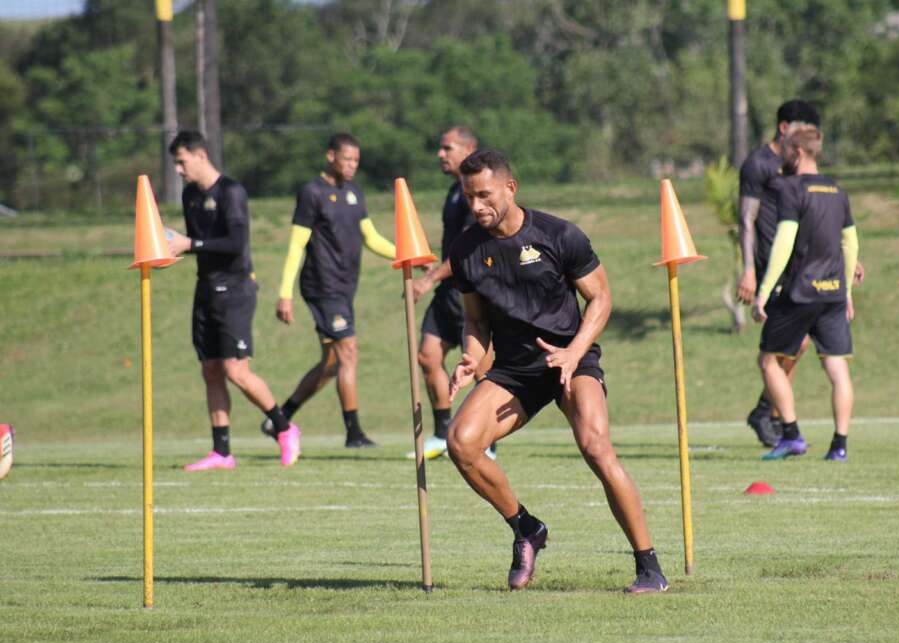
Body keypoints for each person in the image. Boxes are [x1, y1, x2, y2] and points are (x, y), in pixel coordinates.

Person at [446, 149, 668, 593]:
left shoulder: (559, 235)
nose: (476, 206)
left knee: (596, 447)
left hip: (571, 359)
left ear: (511, 188)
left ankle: (649, 567)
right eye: (469, 196)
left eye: (484, 195)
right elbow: (476, 320)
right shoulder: (466, 250)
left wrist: (573, 353)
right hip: (515, 371)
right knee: (461, 443)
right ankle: (526, 527)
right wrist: (471, 356)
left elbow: (601, 299)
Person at [165, 131, 301, 471]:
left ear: (200, 155)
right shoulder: (189, 196)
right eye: (175, 164)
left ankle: (284, 428)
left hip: (236, 288)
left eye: (181, 162)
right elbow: (196, 242)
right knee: (211, 370)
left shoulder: (231, 192)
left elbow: (235, 242)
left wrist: (189, 245)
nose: (179, 170)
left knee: (235, 370)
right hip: (205, 287)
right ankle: (222, 452)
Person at [266, 133, 398, 448]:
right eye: (347, 159)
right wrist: (284, 293)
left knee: (332, 364)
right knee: (348, 353)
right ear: (331, 157)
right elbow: (297, 245)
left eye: (356, 161)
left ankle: (280, 419)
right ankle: (354, 433)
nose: (352, 165)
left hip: (345, 287)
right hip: (322, 287)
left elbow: (372, 237)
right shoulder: (311, 192)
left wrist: (408, 255)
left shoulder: (354, 192)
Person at [752, 128, 858, 462]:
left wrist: (764, 291)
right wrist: (848, 292)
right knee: (837, 368)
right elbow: (851, 243)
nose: (780, 155)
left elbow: (784, 241)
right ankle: (839, 445)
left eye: (784, 150)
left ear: (797, 152)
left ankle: (792, 435)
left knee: (768, 360)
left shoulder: (791, 188)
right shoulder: (837, 190)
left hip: (800, 293)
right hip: (833, 293)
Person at [736, 100, 822, 448]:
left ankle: (766, 411)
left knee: (798, 345)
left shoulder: (798, 163)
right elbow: (746, 219)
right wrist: (747, 271)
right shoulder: (758, 163)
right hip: (770, 269)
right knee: (789, 344)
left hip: (800, 266)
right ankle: (773, 416)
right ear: (785, 128)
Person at [408, 126, 494, 460]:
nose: (440, 154)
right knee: (427, 356)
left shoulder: (480, 196)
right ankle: (443, 434)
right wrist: (428, 266)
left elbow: (466, 251)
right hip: (448, 289)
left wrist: (428, 279)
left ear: (469, 149)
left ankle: (487, 440)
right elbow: (451, 250)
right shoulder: (453, 193)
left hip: (473, 289)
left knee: (480, 366)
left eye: (448, 148)